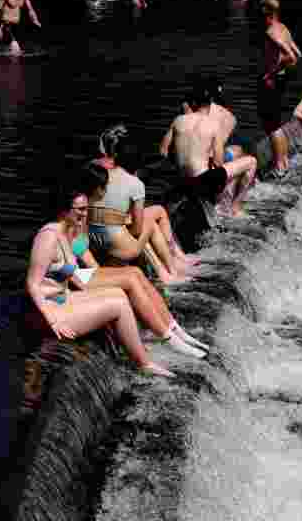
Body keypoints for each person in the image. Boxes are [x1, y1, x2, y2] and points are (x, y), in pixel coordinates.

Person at [25, 183, 174, 377]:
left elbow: (74, 270)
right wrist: (52, 321)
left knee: (119, 293)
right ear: (64, 210)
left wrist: (96, 283)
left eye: (86, 209)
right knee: (118, 305)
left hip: (64, 299)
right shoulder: (48, 237)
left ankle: (143, 345)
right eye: (80, 210)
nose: (85, 214)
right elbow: (32, 284)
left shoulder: (66, 231)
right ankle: (144, 364)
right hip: (51, 313)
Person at [76, 164, 209, 357]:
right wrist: (96, 270)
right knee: (130, 277)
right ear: (96, 189)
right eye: (104, 186)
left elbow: (83, 246)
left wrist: (98, 268)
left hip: (84, 271)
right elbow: (75, 249)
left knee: (136, 273)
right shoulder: (74, 217)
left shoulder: (86, 210)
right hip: (74, 276)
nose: (106, 190)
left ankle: (174, 328)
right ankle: (169, 339)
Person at [88, 126, 197, 284]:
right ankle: (171, 269)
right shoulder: (135, 183)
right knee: (148, 224)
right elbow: (137, 230)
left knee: (150, 215)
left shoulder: (94, 174)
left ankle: (170, 266)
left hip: (91, 239)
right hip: (121, 248)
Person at [160, 81, 258, 217]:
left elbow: (163, 151)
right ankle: (234, 208)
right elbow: (218, 162)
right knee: (251, 161)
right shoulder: (214, 124)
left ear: (193, 103)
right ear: (210, 104)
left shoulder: (178, 120)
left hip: (183, 180)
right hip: (203, 182)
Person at [259, 0, 302, 138]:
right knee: (276, 113)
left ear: (268, 12)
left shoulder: (270, 32)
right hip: (282, 77)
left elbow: (291, 56)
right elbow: (298, 54)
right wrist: (284, 68)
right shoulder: (283, 28)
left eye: (262, 12)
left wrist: (270, 74)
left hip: (271, 78)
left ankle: (273, 148)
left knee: (268, 117)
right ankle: (280, 143)